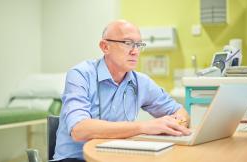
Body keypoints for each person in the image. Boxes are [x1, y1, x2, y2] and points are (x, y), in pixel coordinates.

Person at [53, 20, 190, 162]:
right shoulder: (80, 75)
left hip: (117, 157)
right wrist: (144, 126)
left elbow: (179, 111)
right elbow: (79, 130)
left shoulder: (141, 82)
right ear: (105, 46)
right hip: (75, 159)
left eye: (138, 45)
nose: (135, 51)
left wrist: (176, 124)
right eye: (128, 43)